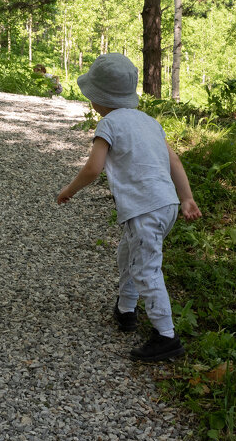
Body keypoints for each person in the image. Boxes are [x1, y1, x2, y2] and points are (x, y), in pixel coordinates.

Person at [56, 53, 202, 362]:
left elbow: (93, 169)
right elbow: (173, 160)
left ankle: (166, 336)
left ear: (97, 97)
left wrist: (69, 190)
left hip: (145, 211)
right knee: (129, 253)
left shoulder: (108, 124)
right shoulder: (149, 122)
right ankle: (126, 310)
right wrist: (187, 197)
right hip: (167, 205)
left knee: (146, 269)